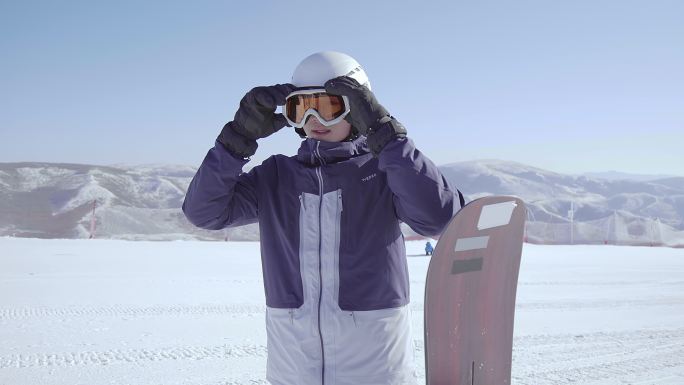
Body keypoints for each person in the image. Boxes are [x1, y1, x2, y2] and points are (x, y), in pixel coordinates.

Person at [183, 51, 460, 385]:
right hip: (294, 368)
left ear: (359, 110)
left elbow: (440, 217)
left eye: (329, 107)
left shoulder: (384, 171)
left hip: (374, 367)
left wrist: (387, 138)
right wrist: (235, 141)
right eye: (302, 108)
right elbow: (203, 211)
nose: (314, 119)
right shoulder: (275, 176)